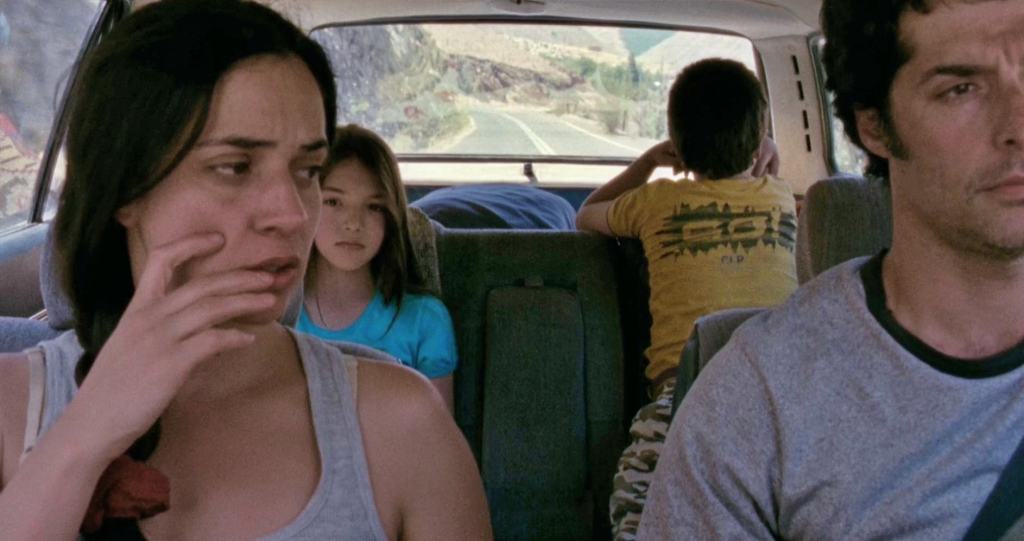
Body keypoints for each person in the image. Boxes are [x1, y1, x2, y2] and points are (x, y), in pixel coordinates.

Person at [0, 1, 491, 539]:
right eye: (233, 167)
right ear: (124, 191)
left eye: (307, 170)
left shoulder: (402, 424)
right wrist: (84, 436)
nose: (293, 213)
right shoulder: (10, 409)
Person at [638, 1, 1024, 539]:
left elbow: (587, 217)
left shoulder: (655, 202)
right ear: (874, 127)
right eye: (961, 88)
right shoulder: (756, 405)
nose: (1018, 125)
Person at [575, 57, 798, 540]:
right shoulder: (779, 198)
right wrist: (768, 146)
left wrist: (650, 163)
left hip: (686, 390)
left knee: (639, 502)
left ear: (677, 141)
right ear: (759, 137)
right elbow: (770, 165)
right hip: (780, 391)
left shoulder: (655, 202)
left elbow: (585, 215)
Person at [296, 124, 458, 412]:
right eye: (333, 201)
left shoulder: (424, 321)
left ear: (391, 216)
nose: (353, 223)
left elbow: (434, 441)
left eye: (373, 207)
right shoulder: (273, 316)